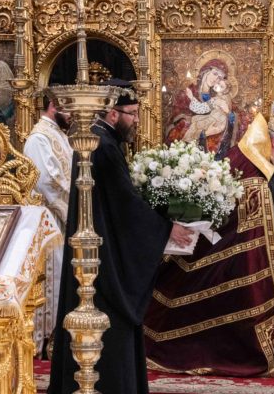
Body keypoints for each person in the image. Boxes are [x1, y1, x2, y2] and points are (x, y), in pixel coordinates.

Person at [145, 97, 274, 377]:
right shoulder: (248, 156)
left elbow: (265, 192)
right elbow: (252, 198)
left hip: (228, 246)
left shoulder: (260, 154)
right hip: (217, 248)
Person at [48, 80, 194, 394]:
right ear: (113, 114)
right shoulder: (102, 146)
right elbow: (126, 207)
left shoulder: (98, 140)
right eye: (133, 113)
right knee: (110, 332)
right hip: (104, 265)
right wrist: (167, 228)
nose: (137, 120)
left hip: (98, 254)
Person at [24, 95, 74, 356]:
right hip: (49, 219)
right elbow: (46, 182)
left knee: (64, 275)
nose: (72, 114)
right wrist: (72, 210)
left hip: (61, 219)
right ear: (54, 105)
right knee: (54, 276)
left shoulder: (59, 135)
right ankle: (47, 340)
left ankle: (60, 339)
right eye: (68, 107)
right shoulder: (38, 138)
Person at [182, 80, 232, 149]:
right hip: (218, 120)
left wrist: (191, 97)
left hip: (216, 122)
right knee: (196, 122)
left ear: (224, 91)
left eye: (221, 86)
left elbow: (201, 109)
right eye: (218, 83)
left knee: (195, 125)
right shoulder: (223, 98)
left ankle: (186, 146)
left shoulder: (217, 100)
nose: (217, 86)